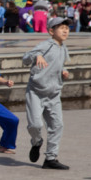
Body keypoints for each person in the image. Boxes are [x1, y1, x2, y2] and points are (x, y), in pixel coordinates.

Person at [22, 17, 71, 170]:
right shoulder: (45, 45)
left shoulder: (63, 48)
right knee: (35, 125)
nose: (65, 31)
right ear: (51, 31)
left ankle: (51, 158)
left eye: (67, 28)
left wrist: (63, 71)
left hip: (54, 94)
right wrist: (37, 55)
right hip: (36, 92)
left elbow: (57, 64)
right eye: (61, 28)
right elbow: (25, 58)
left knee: (57, 125)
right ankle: (36, 141)